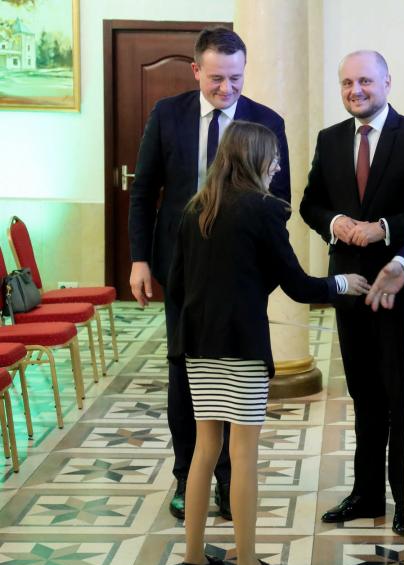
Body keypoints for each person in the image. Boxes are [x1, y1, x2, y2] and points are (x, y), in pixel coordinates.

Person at [168, 121, 368, 565]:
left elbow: (176, 284)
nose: (277, 164)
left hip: (197, 345)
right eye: (273, 156)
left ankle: (193, 560)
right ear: (254, 157)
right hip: (241, 347)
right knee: (242, 453)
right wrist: (342, 283)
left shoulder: (196, 208)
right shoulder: (262, 209)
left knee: (204, 450)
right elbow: (298, 285)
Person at [129, 27, 291, 521]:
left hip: (241, 277)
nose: (227, 88)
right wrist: (139, 259)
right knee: (186, 373)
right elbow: (144, 192)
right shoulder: (168, 114)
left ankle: (226, 480)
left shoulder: (266, 121)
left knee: (235, 383)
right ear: (196, 70)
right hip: (181, 269)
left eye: (236, 78)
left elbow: (279, 202)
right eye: (217, 78)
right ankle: (187, 475)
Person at [300, 50, 404, 536]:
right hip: (348, 287)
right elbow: (310, 203)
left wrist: (384, 228)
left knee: (400, 396)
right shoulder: (330, 138)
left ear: (386, 82)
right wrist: (336, 222)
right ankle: (366, 494)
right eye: (346, 83)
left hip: (398, 287)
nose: (354, 90)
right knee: (363, 393)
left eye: (364, 81)